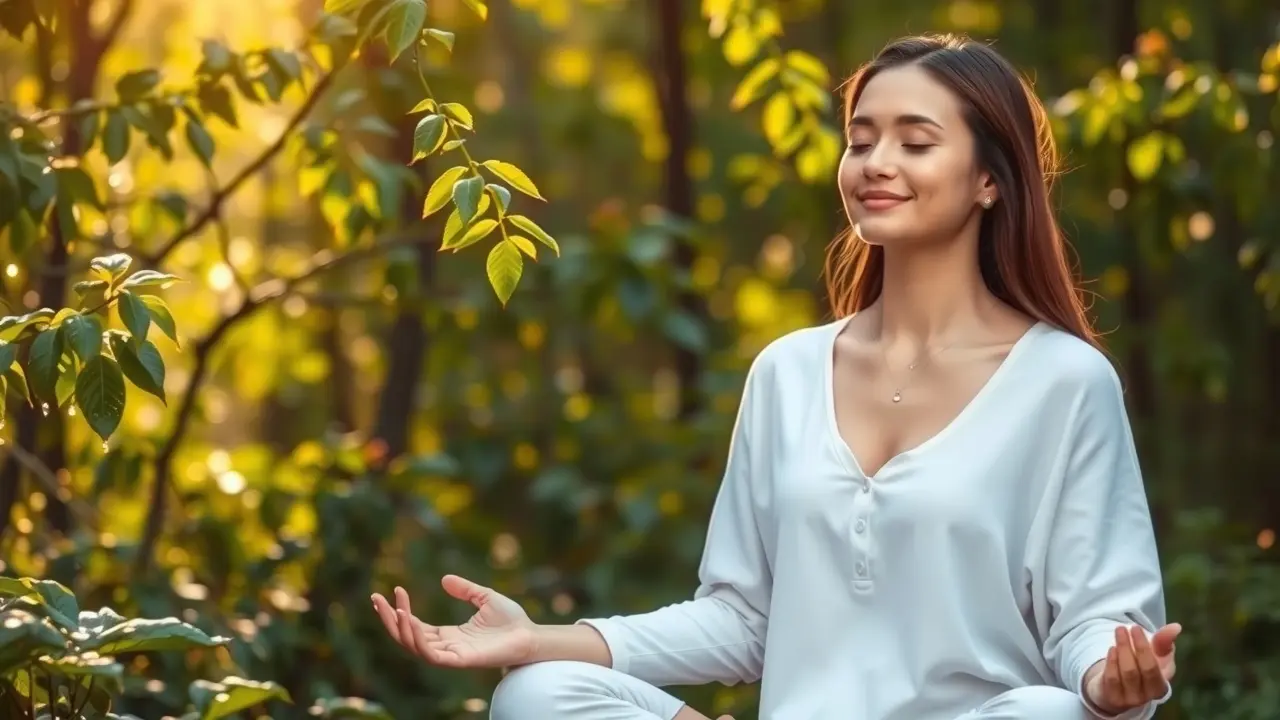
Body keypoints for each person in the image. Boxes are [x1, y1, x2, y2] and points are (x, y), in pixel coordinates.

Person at [371, 32, 1182, 720]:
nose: (875, 162)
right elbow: (741, 618)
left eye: (916, 141)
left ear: (989, 179)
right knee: (538, 696)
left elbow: (1094, 623)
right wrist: (534, 639)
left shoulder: (1065, 382)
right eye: (861, 140)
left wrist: (1113, 681)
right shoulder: (788, 371)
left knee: (1047, 711)